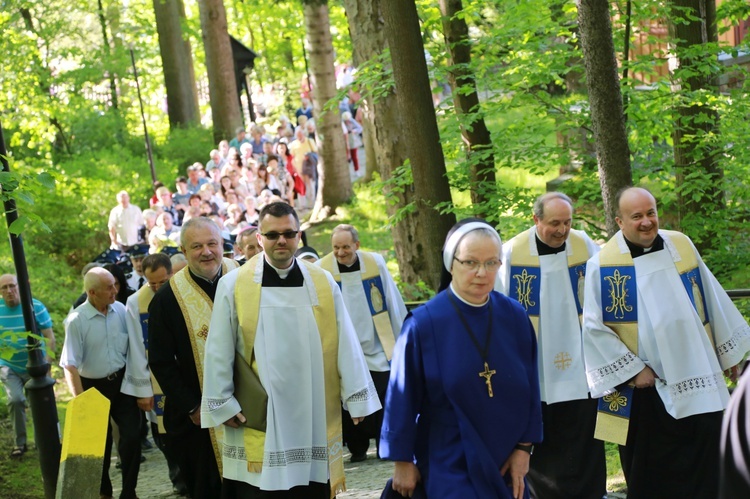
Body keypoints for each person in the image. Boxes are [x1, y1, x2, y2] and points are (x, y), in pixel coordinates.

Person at [201, 202, 381, 498]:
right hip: (260, 406)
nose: (281, 240)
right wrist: (222, 402)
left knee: (310, 486)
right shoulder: (234, 284)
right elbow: (219, 348)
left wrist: (355, 395)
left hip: (312, 404)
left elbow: (345, 340)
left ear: (299, 236)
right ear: (259, 238)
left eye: (288, 233)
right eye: (272, 235)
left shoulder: (321, 281)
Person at [582, 187, 750, 499]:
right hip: (648, 387)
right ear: (619, 221)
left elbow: (711, 298)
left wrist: (728, 356)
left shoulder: (681, 245)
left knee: (709, 462)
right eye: (637, 217)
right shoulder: (603, 265)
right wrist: (633, 371)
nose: (646, 222)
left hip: (700, 374)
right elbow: (593, 327)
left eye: (651, 213)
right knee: (654, 473)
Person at [380, 219, 542, 499]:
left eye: (492, 263)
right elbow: (401, 396)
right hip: (450, 457)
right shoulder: (423, 324)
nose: (482, 273)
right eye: (471, 262)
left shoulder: (515, 316)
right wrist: (403, 462)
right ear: (450, 263)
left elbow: (531, 387)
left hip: (504, 457)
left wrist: (523, 448)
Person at [497, 192, 606, 499]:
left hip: (583, 364)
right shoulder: (513, 254)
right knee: (544, 440)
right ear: (536, 220)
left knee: (584, 435)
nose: (562, 230)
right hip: (537, 367)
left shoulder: (585, 246)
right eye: (554, 223)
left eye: (568, 222)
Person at [147, 218, 239, 498]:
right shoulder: (166, 299)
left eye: (212, 244)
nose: (206, 252)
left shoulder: (245, 279)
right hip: (200, 417)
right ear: (184, 252)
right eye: (196, 246)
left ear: (222, 244)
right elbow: (161, 362)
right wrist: (192, 407)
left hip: (252, 405)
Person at [317, 224, 407, 462]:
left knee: (382, 393)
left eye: (346, 247)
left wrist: (401, 340)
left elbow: (392, 299)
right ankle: (356, 448)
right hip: (343, 345)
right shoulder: (322, 269)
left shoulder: (374, 263)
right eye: (336, 247)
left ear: (356, 245)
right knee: (349, 394)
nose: (340, 253)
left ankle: (383, 444)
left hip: (378, 343)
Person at [60, 267, 150, 499]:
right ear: (92, 292)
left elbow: (135, 349)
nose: (115, 290)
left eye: (115, 285)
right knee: (101, 445)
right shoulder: (77, 320)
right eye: (109, 287)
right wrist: (81, 401)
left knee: (132, 437)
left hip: (121, 383)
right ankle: (105, 493)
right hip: (92, 386)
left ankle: (129, 492)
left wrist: (141, 387)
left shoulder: (120, 309)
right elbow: (69, 364)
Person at [123, 253, 187, 496]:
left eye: (163, 281)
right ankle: (178, 479)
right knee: (163, 433)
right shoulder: (134, 302)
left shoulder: (183, 292)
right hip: (155, 378)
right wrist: (143, 389)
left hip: (184, 374)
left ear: (171, 273)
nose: (158, 288)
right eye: (152, 284)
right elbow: (137, 349)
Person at [0, 274, 55, 459]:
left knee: (41, 404)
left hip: (35, 366)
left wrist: (47, 363)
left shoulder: (35, 306)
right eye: (4, 288)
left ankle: (47, 440)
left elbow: (49, 336)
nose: (9, 291)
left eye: (12, 286)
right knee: (15, 400)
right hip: (9, 366)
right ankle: (20, 443)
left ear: (19, 286)